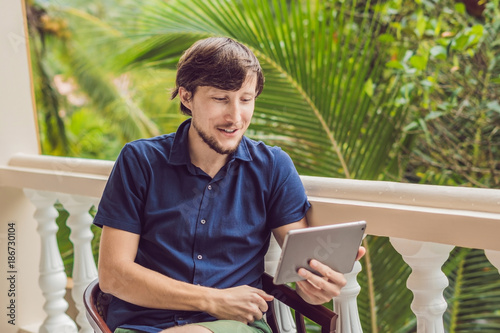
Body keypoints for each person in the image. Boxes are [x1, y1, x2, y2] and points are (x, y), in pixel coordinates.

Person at [94, 36, 365, 333]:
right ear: (187, 97)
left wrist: (314, 286)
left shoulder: (273, 167)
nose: (235, 116)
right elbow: (113, 275)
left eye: (246, 99)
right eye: (220, 99)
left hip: (233, 325)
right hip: (143, 324)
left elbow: (302, 265)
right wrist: (212, 299)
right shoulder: (140, 161)